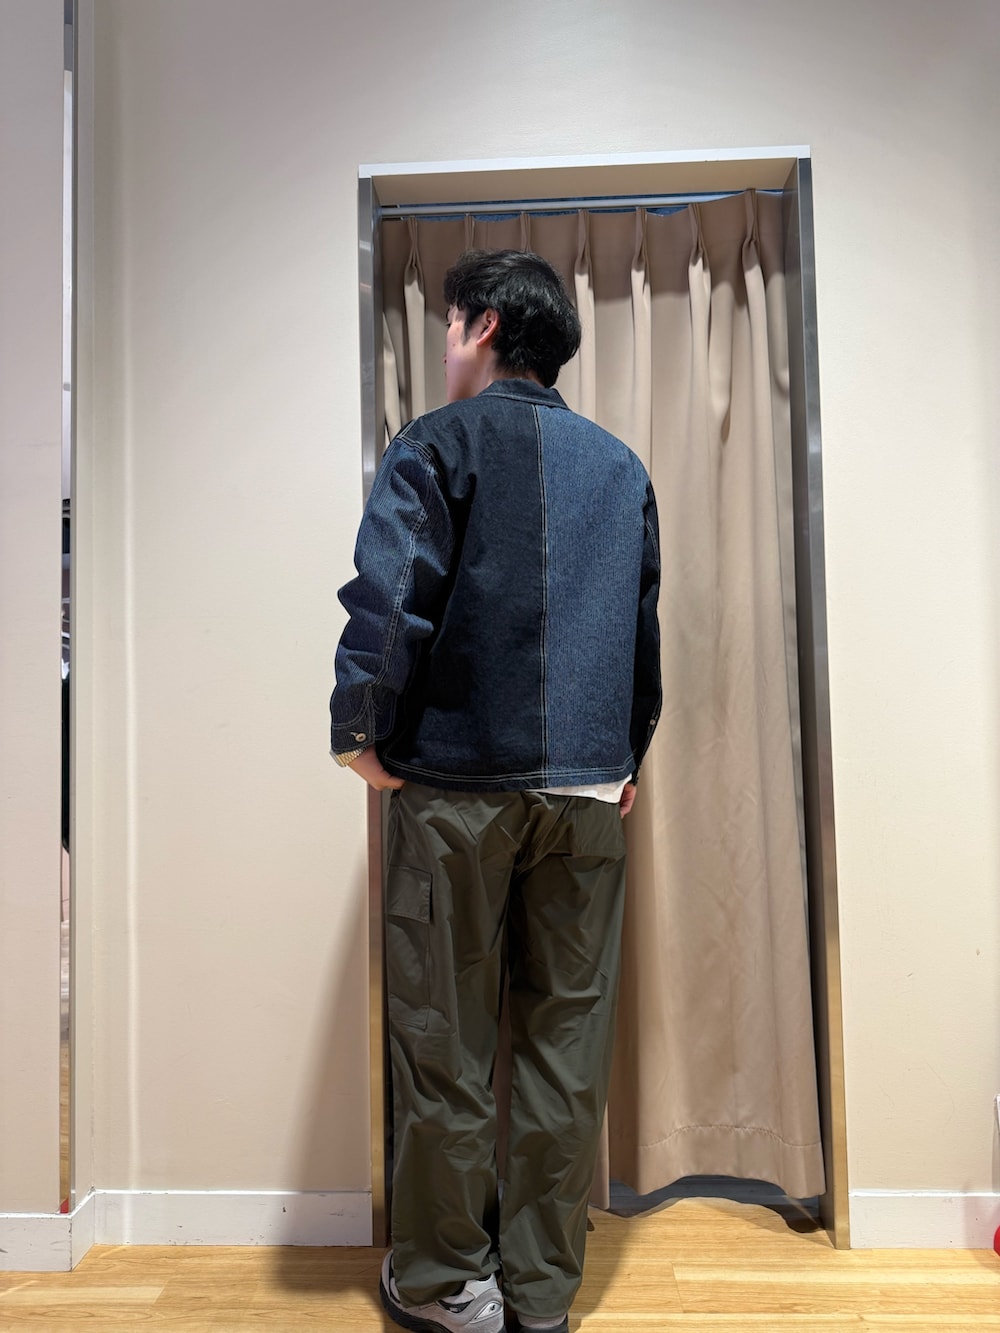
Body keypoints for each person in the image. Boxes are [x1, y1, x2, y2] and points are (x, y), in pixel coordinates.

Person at [330, 249, 661, 1333]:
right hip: (588, 794)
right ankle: (542, 1295)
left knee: (446, 1041)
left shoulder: (434, 442)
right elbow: (643, 635)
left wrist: (359, 732)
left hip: (459, 790)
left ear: (479, 326)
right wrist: (626, 756)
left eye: (448, 325)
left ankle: (445, 1285)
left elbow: (391, 598)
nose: (445, 346)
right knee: (567, 1045)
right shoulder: (620, 465)